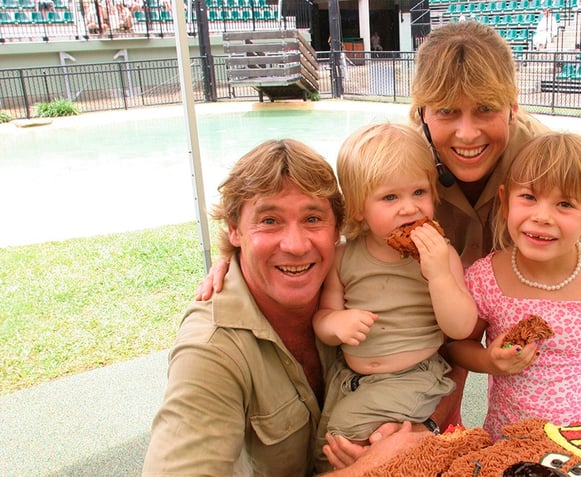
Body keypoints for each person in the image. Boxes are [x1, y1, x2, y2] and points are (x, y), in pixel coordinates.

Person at [197, 20, 552, 467]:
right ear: (422, 110)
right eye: (446, 112)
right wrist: (238, 256)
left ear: (513, 107)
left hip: (472, 306)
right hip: (404, 344)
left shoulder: (538, 164)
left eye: (485, 110)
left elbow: (569, 224)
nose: (466, 134)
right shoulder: (405, 158)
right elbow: (337, 212)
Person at [143, 139, 428, 476]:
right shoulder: (211, 349)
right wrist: (371, 468)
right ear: (234, 229)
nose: (295, 246)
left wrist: (419, 430)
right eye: (269, 220)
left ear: (338, 228)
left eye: (312, 218)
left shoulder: (348, 280)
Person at [445, 131, 581, 441]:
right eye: (529, 197)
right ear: (505, 202)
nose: (542, 216)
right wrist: (489, 361)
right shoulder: (486, 278)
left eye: (565, 204)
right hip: (508, 444)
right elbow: (457, 346)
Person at [314, 123, 477, 444]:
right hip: (351, 379)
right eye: (390, 197)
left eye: (419, 192)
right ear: (359, 208)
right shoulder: (343, 256)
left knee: (341, 436)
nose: (409, 207)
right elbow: (323, 316)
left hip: (415, 377)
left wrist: (440, 275)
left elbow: (461, 327)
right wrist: (337, 322)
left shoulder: (440, 254)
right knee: (325, 441)